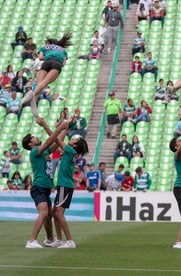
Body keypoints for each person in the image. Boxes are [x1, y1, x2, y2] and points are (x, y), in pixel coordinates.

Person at [22, 118, 68, 248]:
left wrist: (65, 128)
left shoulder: (44, 152)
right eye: (34, 137)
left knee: (48, 216)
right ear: (31, 144)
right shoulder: (35, 151)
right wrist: (47, 126)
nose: (37, 138)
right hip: (38, 187)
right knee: (43, 212)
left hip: (45, 188)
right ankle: (31, 241)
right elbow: (49, 141)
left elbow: (57, 142)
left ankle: (49, 239)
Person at [49, 124, 89, 248]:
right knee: (55, 212)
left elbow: (55, 139)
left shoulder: (70, 150)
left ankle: (70, 241)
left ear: (75, 145)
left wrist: (57, 128)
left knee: (59, 213)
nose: (72, 138)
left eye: (75, 139)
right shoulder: (70, 152)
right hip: (63, 185)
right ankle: (59, 240)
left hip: (65, 186)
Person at [22, 32, 72, 118]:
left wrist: (49, 55)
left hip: (47, 62)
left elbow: (41, 58)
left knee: (39, 84)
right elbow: (63, 64)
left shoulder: (45, 47)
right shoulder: (63, 50)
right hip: (56, 64)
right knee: (44, 83)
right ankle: (32, 94)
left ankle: (34, 103)